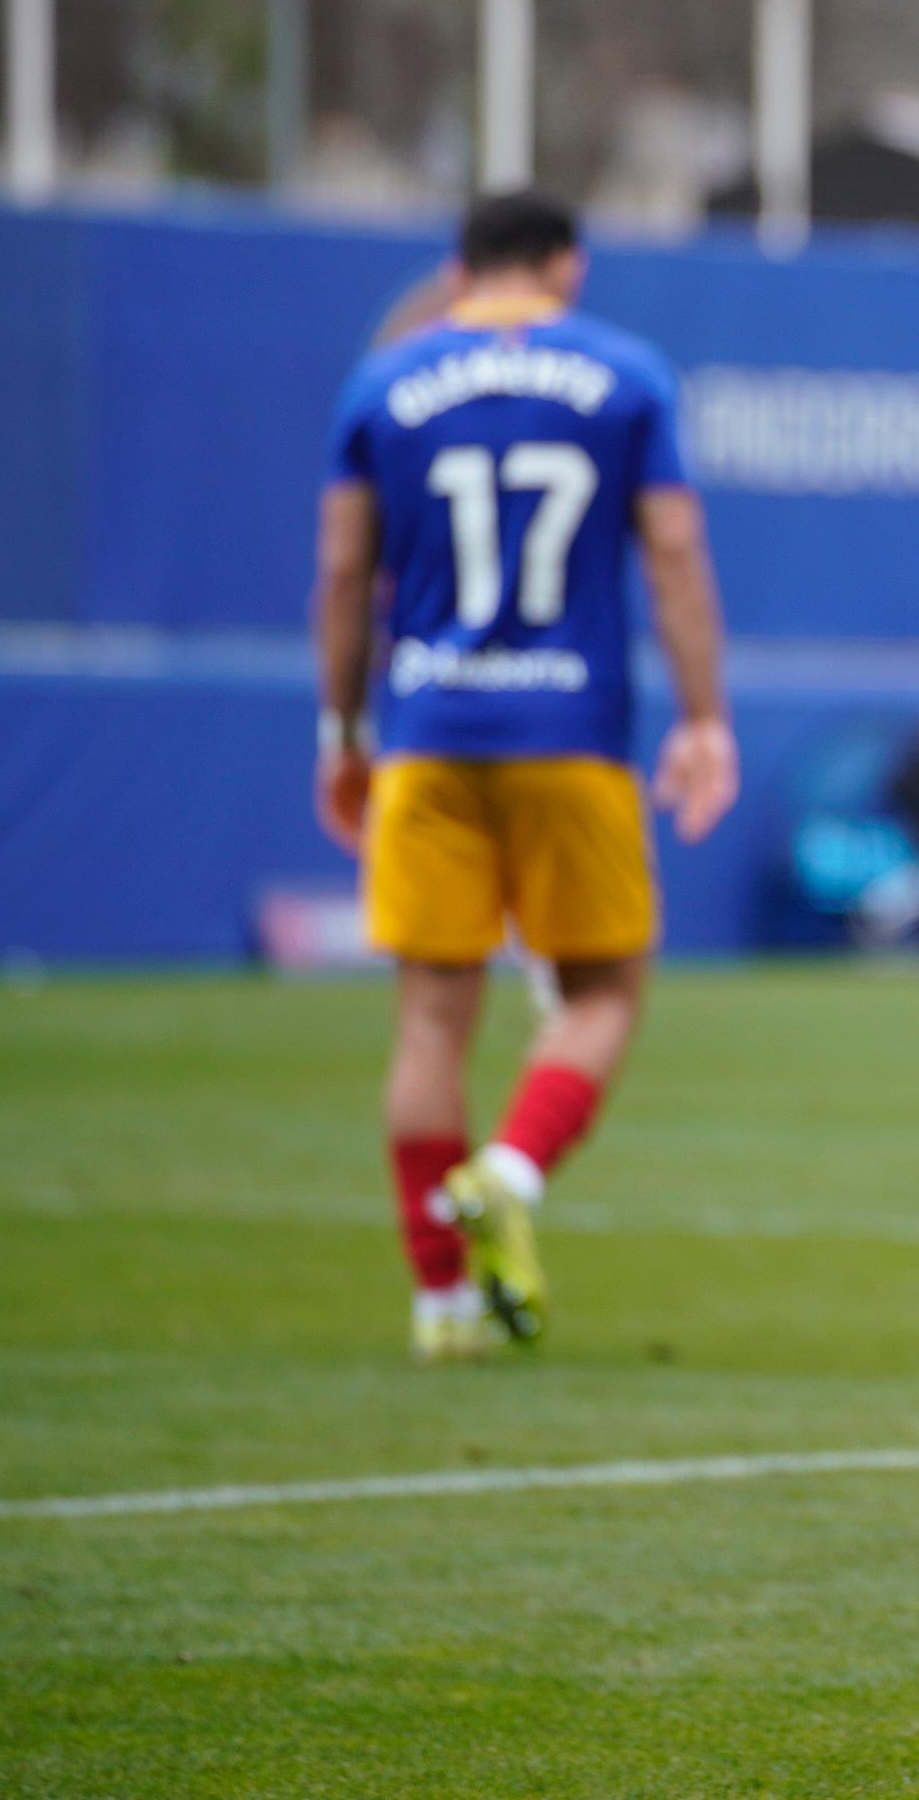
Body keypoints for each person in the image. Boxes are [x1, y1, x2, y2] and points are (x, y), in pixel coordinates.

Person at [313, 190, 738, 1362]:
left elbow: (347, 579)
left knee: (432, 1018)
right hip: (573, 734)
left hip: (429, 732)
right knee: (601, 991)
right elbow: (674, 553)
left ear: (458, 269)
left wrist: (341, 731)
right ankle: (510, 1169)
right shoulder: (627, 376)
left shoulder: (382, 383)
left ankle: (440, 1301)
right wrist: (704, 717)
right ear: (569, 265)